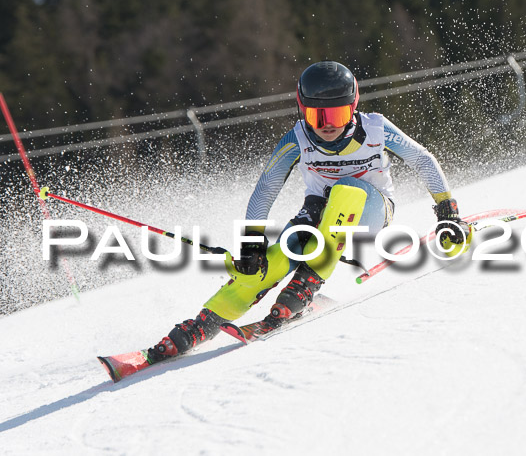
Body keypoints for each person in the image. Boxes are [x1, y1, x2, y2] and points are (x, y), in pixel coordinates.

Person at [145, 61, 472, 363]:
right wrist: (252, 244)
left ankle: (306, 283)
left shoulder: (376, 130)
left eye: (338, 116)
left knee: (346, 190)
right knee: (273, 258)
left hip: (372, 211)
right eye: (319, 118)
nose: (328, 127)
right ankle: (203, 323)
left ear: (353, 108)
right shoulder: (297, 139)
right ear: (303, 112)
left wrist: (448, 210)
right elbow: (265, 190)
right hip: (317, 215)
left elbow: (423, 160)